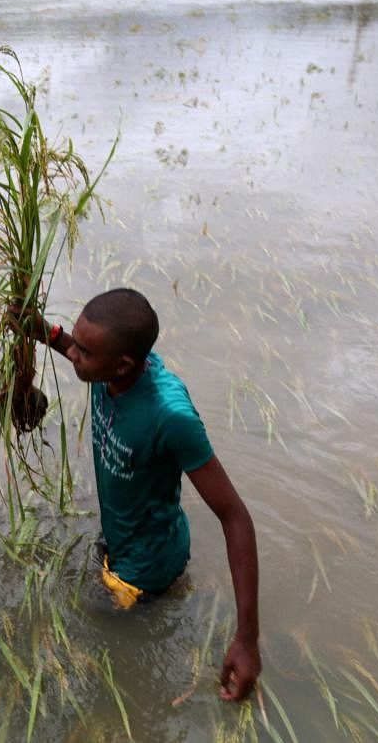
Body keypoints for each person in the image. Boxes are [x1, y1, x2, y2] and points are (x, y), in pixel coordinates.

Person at [13, 287, 261, 702]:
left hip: (143, 571)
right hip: (122, 538)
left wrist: (248, 639)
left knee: (86, 639)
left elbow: (235, 516)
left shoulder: (170, 416)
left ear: (123, 364)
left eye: (84, 353)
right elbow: (77, 348)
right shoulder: (110, 369)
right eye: (76, 343)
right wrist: (45, 331)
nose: (74, 355)